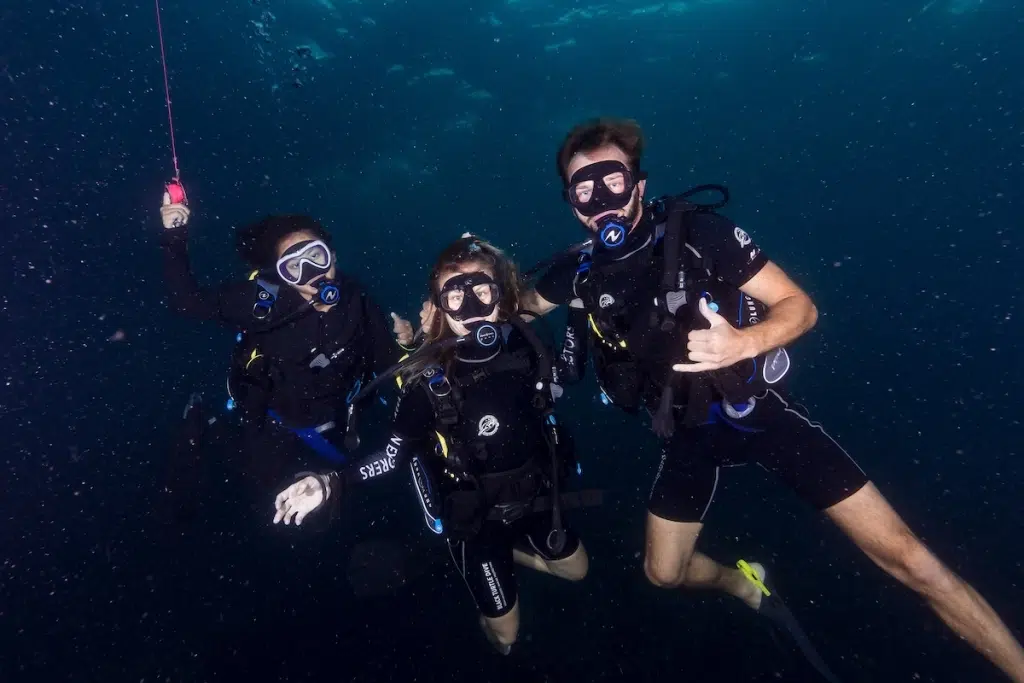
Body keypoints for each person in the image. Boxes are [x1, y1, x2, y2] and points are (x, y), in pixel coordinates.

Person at [399, 119, 1024, 682]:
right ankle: (743, 583)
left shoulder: (701, 234)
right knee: (662, 574)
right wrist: (425, 333)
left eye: (611, 181)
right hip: (686, 434)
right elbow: (496, 312)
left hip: (759, 417)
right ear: (572, 204)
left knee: (910, 561)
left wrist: (741, 343)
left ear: (639, 184)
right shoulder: (577, 273)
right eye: (582, 190)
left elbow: (801, 306)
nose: (600, 201)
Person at [273, 235, 597, 654]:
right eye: (456, 297)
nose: (474, 308)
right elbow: (391, 458)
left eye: (482, 291)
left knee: (578, 573)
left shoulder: (527, 343)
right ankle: (477, 575)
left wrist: (579, 302)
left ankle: (511, 556)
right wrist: (331, 482)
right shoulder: (429, 385)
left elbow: (569, 370)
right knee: (508, 638)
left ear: (502, 296)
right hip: (475, 522)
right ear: (441, 309)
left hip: (537, 499)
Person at [159, 195, 406, 491]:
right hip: (275, 422)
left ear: (333, 255)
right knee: (259, 487)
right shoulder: (263, 301)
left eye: (316, 257)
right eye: (295, 267)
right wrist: (174, 235)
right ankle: (204, 422)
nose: (312, 273)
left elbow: (388, 363)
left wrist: (410, 346)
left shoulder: (358, 299)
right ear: (282, 276)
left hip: (338, 415)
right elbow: (188, 304)